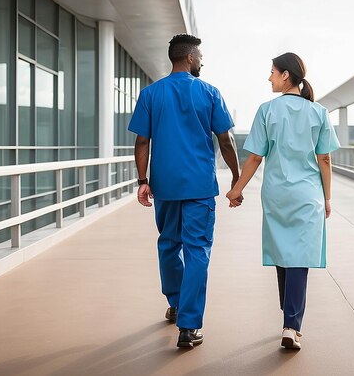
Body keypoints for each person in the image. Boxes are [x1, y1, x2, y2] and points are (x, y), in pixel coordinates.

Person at [128, 33, 241, 348]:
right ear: (190, 58)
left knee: (168, 245)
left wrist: (142, 180)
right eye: (201, 56)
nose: (202, 61)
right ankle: (189, 327)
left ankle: (176, 303)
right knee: (197, 251)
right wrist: (236, 176)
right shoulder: (209, 92)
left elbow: (141, 141)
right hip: (199, 188)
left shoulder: (151, 94)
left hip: (164, 187)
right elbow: (226, 140)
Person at [226, 52, 340, 350]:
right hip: (307, 195)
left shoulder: (267, 111)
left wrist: (237, 189)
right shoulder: (319, 113)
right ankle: (292, 324)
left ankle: (288, 317)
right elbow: (325, 159)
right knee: (298, 256)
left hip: (276, 193)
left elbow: (254, 157)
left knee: (283, 252)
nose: (269, 77)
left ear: (285, 75)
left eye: (273, 72)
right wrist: (326, 197)